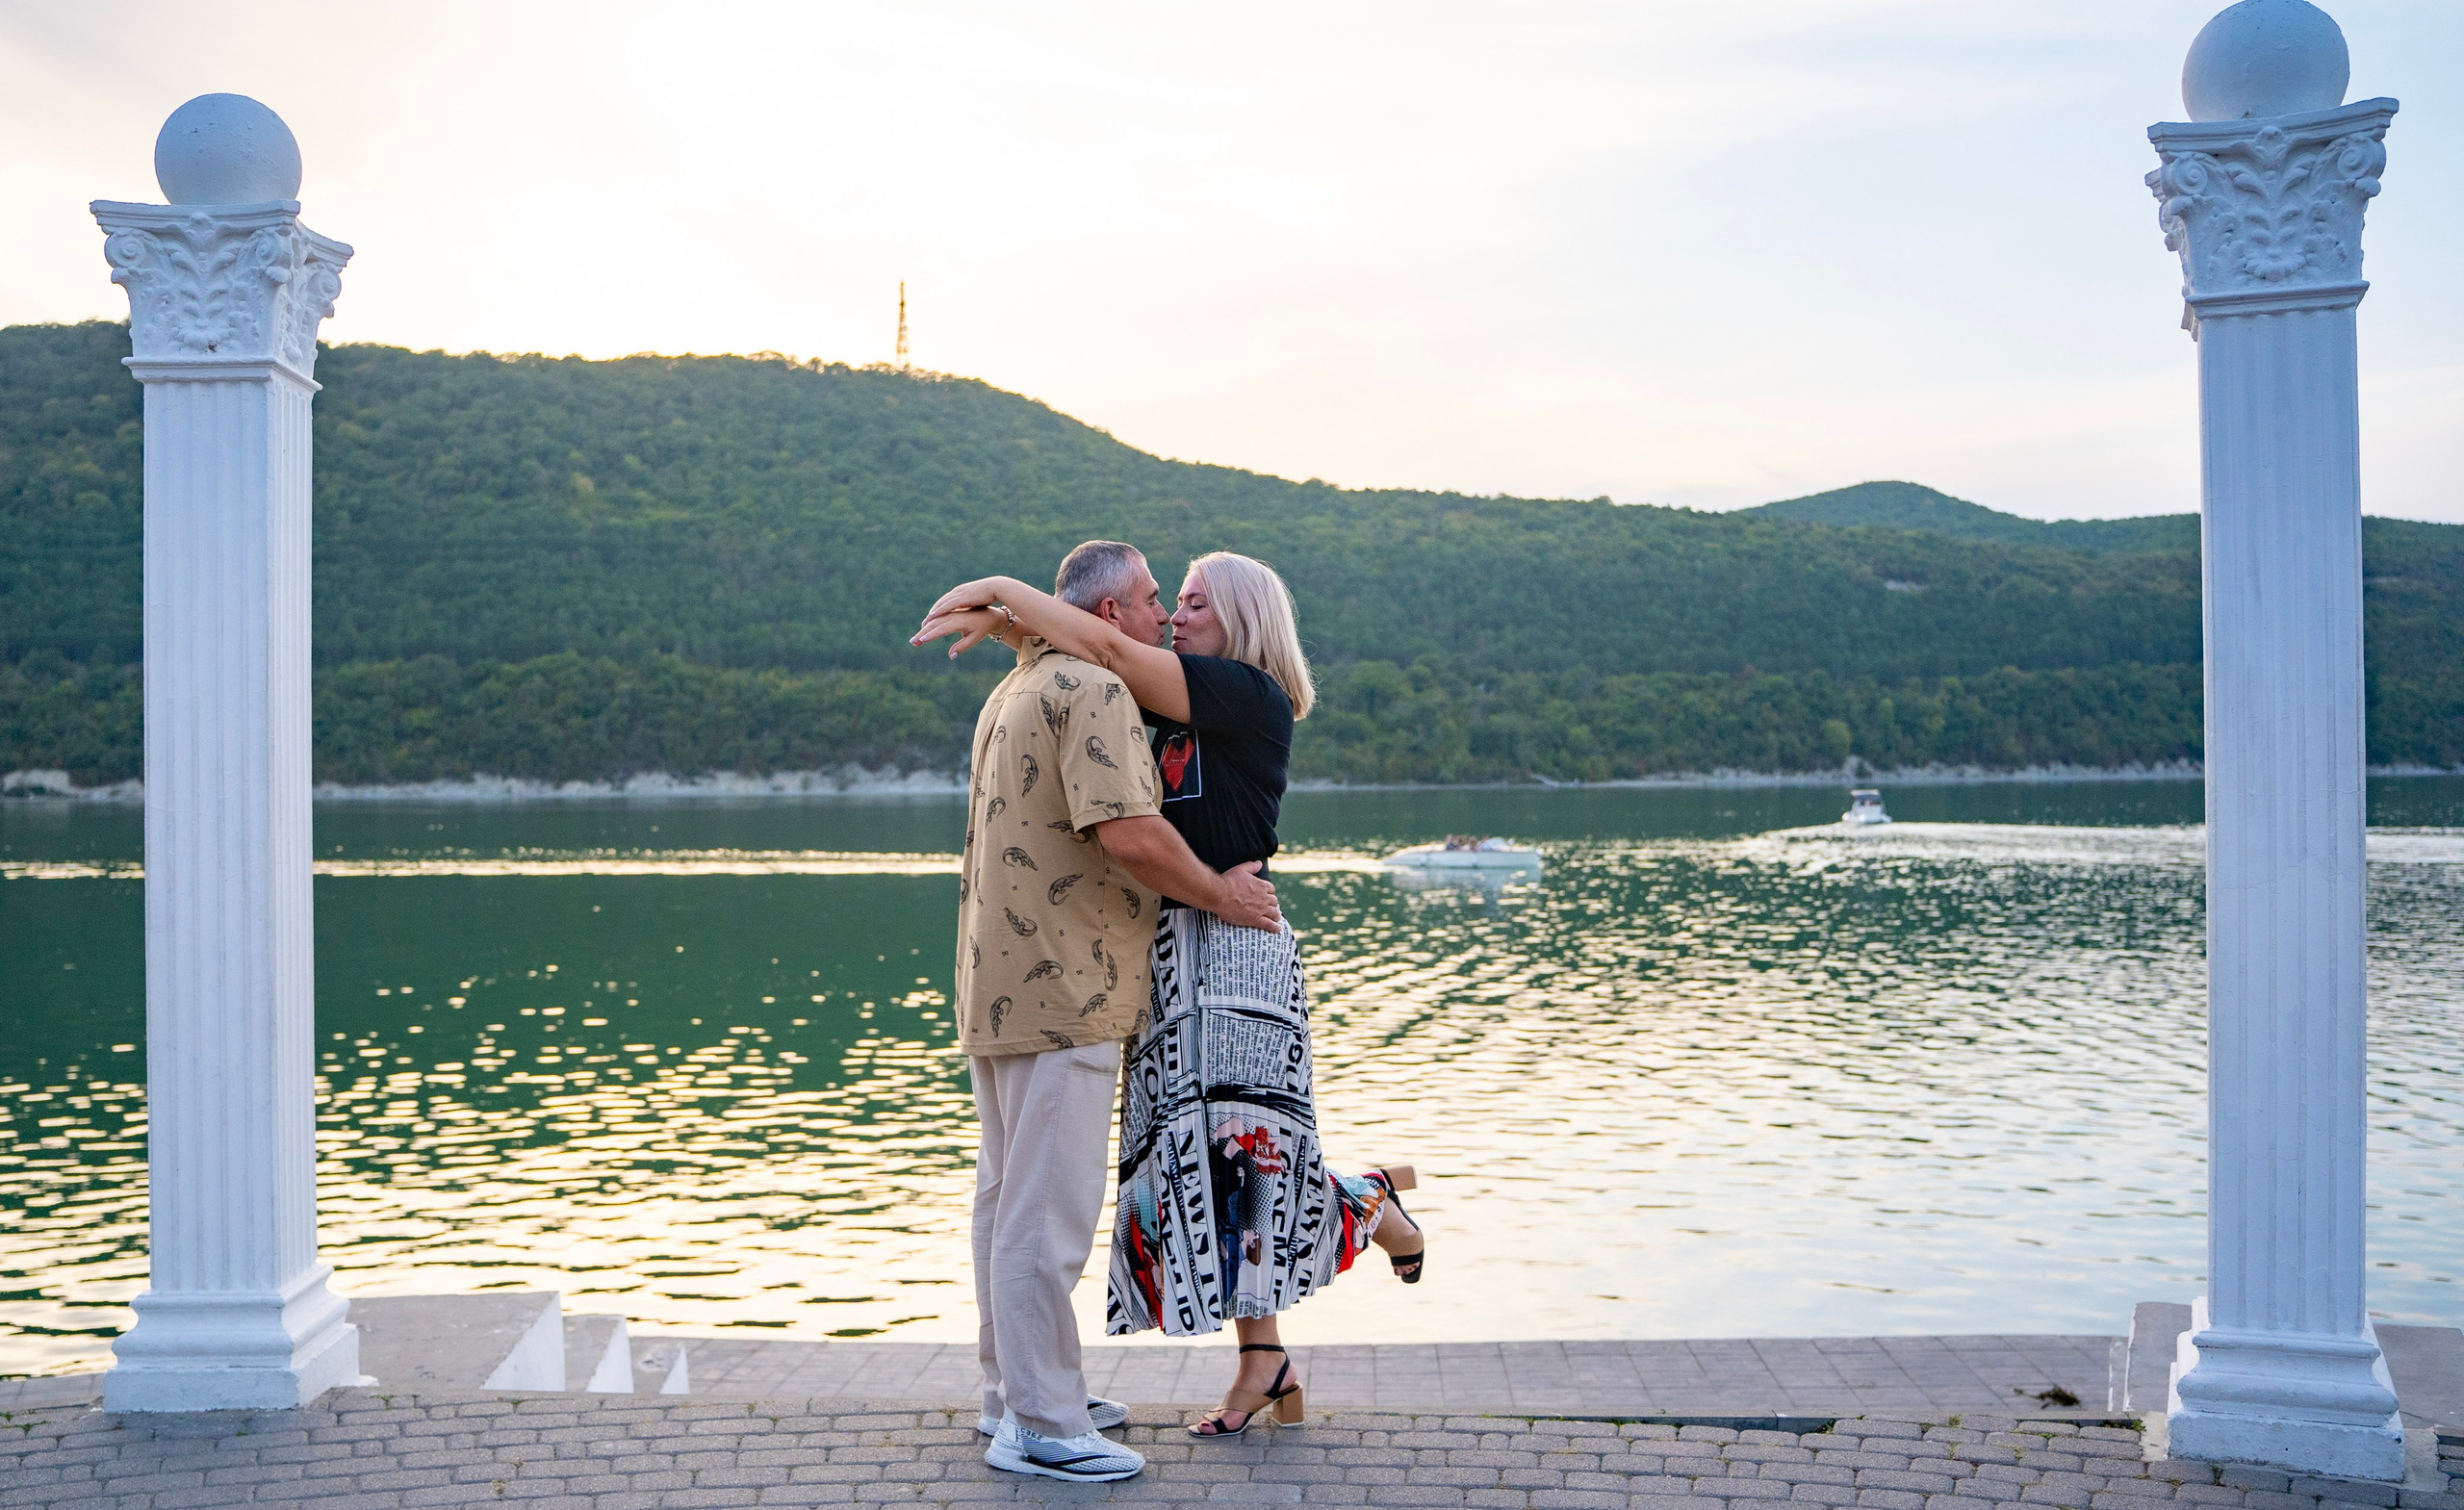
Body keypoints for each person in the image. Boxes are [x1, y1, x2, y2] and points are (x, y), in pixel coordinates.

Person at [915, 547, 1427, 1441]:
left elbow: (1104, 644)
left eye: (1193, 603)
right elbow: (1088, 645)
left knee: (1249, 1159)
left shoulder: (1244, 692)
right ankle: (1265, 1346)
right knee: (1196, 1163)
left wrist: (1005, 592)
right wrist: (1014, 629)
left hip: (1234, 942)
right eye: (1170, 601)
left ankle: (1361, 1209)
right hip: (1162, 947)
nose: (1177, 615)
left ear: (1241, 618)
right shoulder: (1151, 696)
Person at [934, 540, 1283, 1484]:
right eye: (1152, 595)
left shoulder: (1011, 690)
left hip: (998, 982)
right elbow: (1129, 832)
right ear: (1113, 613)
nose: (1162, 609)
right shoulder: (1092, 693)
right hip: (1067, 985)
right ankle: (1042, 1423)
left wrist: (1008, 612)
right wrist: (1219, 892)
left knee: (1006, 1201)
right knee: (1044, 1219)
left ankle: (1013, 1390)